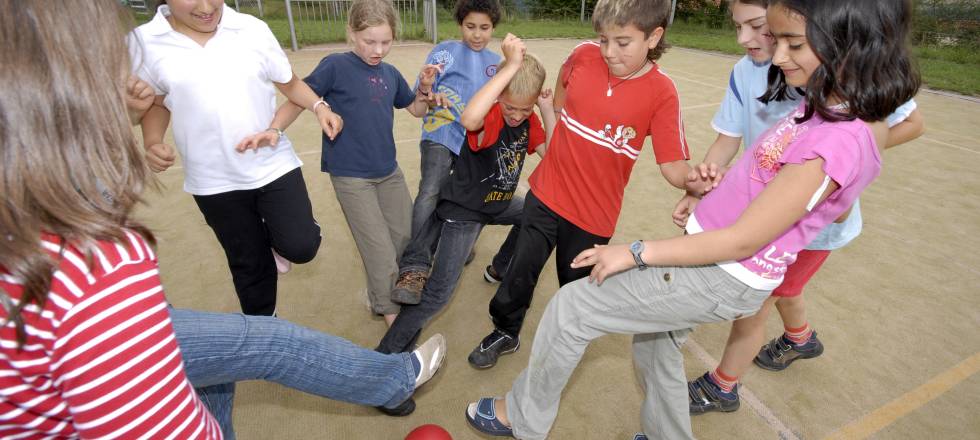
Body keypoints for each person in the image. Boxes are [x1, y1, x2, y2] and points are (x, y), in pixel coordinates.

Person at [463, 0, 920, 438]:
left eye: (793, 44)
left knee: (571, 307)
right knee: (656, 344)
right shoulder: (826, 109)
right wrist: (704, 198)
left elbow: (744, 240)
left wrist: (636, 253)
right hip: (718, 262)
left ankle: (520, 418)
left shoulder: (839, 139)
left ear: (852, 43)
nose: (777, 54)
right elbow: (759, 181)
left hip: (725, 272)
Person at [679, 0, 925, 414]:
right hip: (761, 215)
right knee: (786, 289)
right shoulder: (749, 70)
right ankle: (800, 338)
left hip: (814, 223)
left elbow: (910, 124)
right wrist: (699, 188)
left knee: (758, 300)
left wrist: (836, 166)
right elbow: (728, 137)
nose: (746, 40)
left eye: (759, 28)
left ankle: (722, 386)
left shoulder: (841, 73)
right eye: (737, 27)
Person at [467, 0, 693, 369]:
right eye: (603, 39)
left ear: (654, 36)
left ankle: (566, 343)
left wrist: (695, 182)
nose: (608, 52)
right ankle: (505, 330)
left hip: (593, 215)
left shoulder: (662, 92)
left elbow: (673, 166)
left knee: (576, 288)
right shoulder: (581, 56)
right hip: (546, 192)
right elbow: (557, 104)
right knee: (520, 271)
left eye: (622, 42)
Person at [242, 0, 443, 327]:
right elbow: (299, 95)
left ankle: (381, 297)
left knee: (407, 238)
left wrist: (424, 90)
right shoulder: (335, 65)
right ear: (352, 34)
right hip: (352, 177)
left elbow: (417, 110)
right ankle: (395, 321)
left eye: (386, 42)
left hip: (388, 173)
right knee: (378, 250)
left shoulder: (390, 73)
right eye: (369, 41)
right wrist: (274, 128)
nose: (378, 50)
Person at [131, 0, 331, 316]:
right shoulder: (144, 41)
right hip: (212, 181)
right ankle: (265, 336)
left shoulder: (251, 29)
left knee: (301, 245)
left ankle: (275, 239)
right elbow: (155, 102)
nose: (207, 6)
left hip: (272, 164)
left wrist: (320, 108)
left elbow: (290, 83)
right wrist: (152, 140)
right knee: (249, 266)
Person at [377, 33, 554, 355]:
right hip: (464, 212)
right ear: (499, 96)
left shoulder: (529, 120)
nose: (516, 116)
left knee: (535, 209)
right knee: (438, 293)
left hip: (496, 204)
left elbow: (555, 155)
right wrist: (509, 66)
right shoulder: (491, 115)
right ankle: (386, 357)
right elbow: (469, 119)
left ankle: (501, 266)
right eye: (511, 107)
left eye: (524, 110)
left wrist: (544, 108)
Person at [391, 0, 505, 304]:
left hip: (476, 143)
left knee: (472, 195)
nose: (477, 35)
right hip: (441, 133)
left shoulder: (498, 63)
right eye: (470, 27)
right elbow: (421, 100)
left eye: (484, 28)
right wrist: (428, 89)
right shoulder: (445, 52)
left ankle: (459, 244)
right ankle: (414, 267)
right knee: (431, 190)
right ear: (460, 25)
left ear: (493, 28)